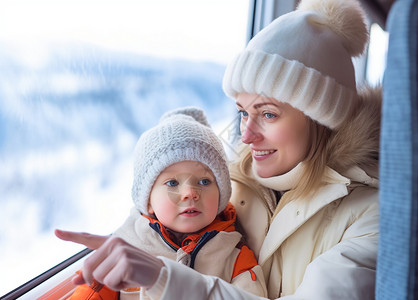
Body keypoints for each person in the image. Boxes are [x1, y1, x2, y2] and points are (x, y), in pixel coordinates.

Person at [56, 0, 381, 298]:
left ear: (319, 118)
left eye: (267, 114)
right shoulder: (227, 181)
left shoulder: (372, 216)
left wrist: (163, 278)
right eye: (243, 112)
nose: (247, 135)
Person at [56, 107, 267, 299]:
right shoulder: (127, 247)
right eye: (172, 182)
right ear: (148, 201)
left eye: (204, 181)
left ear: (221, 194)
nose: (190, 193)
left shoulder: (234, 254)